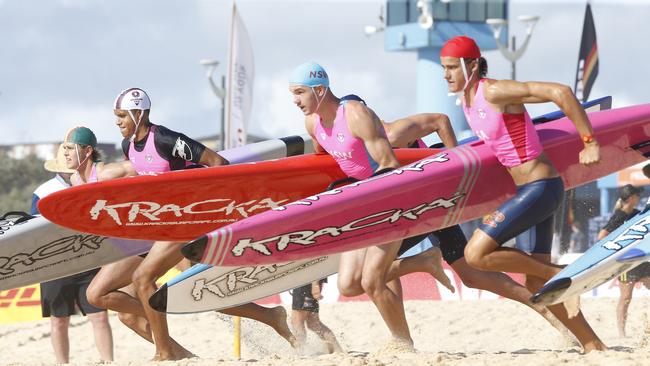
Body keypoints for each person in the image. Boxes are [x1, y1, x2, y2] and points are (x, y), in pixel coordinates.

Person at [84, 88, 296, 361]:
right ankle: (270, 315)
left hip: (185, 225)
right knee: (105, 294)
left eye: (123, 115)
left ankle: (165, 351)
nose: (118, 122)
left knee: (145, 279)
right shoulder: (129, 147)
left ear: (139, 114)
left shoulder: (164, 139)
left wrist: (210, 205)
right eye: (117, 116)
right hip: (155, 228)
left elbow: (218, 162)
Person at [439, 35, 606, 352]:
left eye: (451, 67)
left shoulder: (495, 91)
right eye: (443, 69)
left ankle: (563, 274)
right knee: (535, 284)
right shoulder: (466, 101)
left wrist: (590, 141)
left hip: (541, 188)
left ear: (472, 65)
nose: (446, 75)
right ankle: (593, 345)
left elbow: (561, 92)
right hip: (529, 191)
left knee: (475, 254)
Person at [33, 142, 113, 364]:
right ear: (59, 168)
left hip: (89, 260)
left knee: (99, 316)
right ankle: (62, 363)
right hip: (54, 265)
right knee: (59, 320)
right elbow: (33, 227)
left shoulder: (91, 186)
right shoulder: (43, 192)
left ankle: (109, 361)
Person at [596, 184, 647, 337]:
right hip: (626, 263)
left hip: (643, 259)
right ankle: (621, 332)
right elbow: (602, 236)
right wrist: (617, 251)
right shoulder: (619, 216)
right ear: (631, 198)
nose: (639, 198)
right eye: (637, 195)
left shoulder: (638, 214)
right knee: (626, 297)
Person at [290, 278, 343, 354]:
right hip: (308, 283)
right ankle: (337, 350)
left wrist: (315, 285)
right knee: (313, 323)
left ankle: (299, 352)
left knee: (297, 322)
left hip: (305, 283)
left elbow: (313, 267)